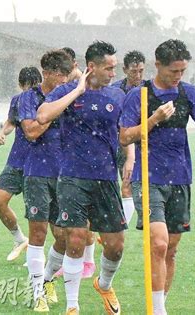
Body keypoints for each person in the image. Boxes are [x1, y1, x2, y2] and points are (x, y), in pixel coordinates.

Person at [120, 39, 195, 315]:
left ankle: (160, 303)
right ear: (157, 65)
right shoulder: (139, 95)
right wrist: (155, 118)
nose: (178, 76)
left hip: (180, 178)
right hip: (148, 178)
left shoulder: (189, 93)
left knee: (170, 249)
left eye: (182, 71)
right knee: (158, 243)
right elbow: (125, 136)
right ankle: (158, 312)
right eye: (173, 71)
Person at [37, 40, 127, 315]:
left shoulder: (117, 96)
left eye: (115, 68)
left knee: (115, 246)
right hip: (73, 176)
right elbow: (42, 116)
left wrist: (131, 160)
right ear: (92, 67)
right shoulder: (67, 91)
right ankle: (72, 306)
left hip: (106, 178)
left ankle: (104, 283)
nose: (114, 73)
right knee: (75, 238)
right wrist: (76, 91)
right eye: (109, 68)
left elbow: (125, 134)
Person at [18, 50, 73, 312]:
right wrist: (50, 112)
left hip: (65, 174)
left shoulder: (69, 96)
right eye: (59, 74)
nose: (63, 80)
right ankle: (37, 292)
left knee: (63, 236)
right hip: (37, 172)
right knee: (38, 234)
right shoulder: (28, 98)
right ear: (46, 72)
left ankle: (48, 279)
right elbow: (31, 131)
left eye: (66, 74)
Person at [0, 66, 41, 261]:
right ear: (21, 86)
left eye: (34, 86)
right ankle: (20, 239)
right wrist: (2, 132)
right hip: (17, 160)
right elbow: (11, 122)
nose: (30, 91)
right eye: (27, 87)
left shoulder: (47, 102)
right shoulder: (18, 101)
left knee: (37, 214)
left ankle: (38, 257)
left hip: (39, 164)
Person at [58, 46, 97, 279]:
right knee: (70, 223)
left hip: (89, 164)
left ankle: (88, 261)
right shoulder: (65, 90)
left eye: (66, 69)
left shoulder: (87, 87)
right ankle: (75, 261)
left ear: (75, 65)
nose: (63, 75)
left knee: (83, 221)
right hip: (67, 162)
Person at [111, 50, 146, 225]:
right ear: (125, 70)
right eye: (134, 71)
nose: (138, 75)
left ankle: (121, 227)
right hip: (117, 145)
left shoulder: (148, 90)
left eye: (141, 71)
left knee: (128, 186)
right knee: (115, 188)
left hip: (141, 147)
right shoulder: (115, 90)